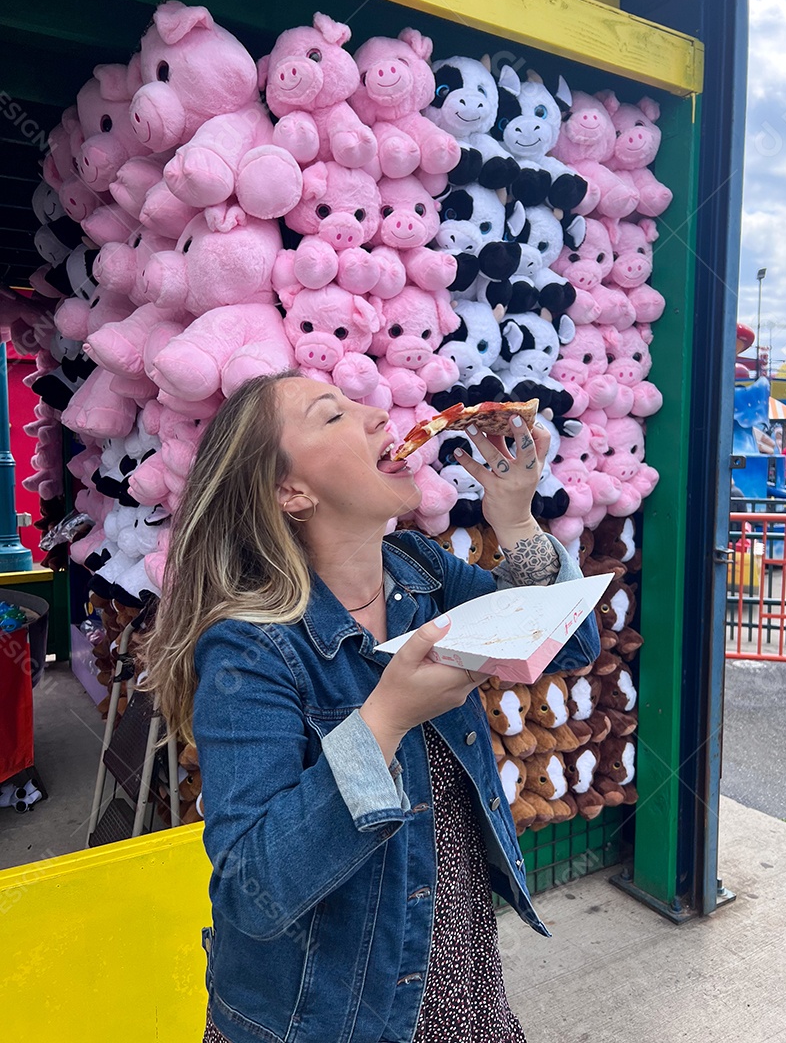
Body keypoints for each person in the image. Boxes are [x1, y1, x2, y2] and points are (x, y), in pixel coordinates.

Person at [146, 371, 599, 1043]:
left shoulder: (420, 571)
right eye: (333, 416)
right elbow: (252, 889)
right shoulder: (250, 650)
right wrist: (383, 721)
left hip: (461, 985)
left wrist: (514, 515)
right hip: (327, 1014)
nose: (377, 414)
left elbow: (566, 644)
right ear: (291, 491)